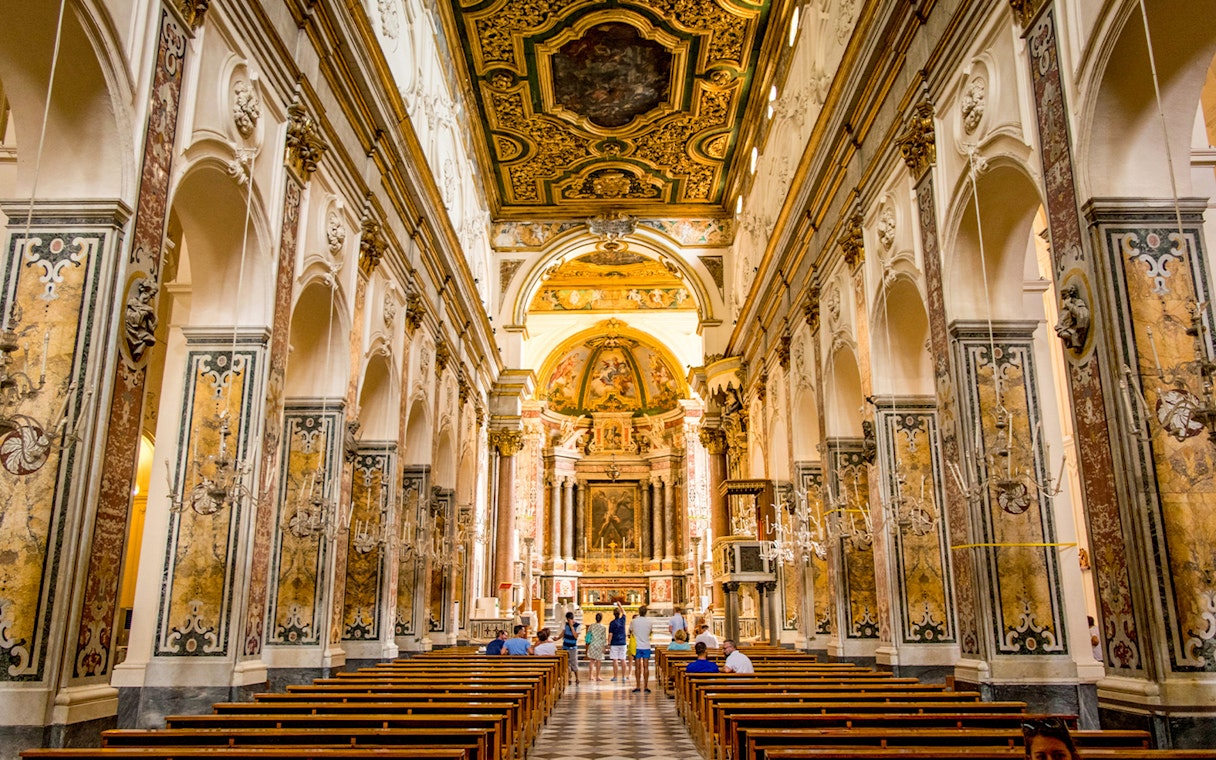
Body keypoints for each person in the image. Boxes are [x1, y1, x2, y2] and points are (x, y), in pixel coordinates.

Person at [631, 604, 655, 693]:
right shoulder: (649, 622)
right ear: (646, 613)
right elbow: (650, 632)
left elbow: (631, 631)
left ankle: (637, 686)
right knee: (646, 666)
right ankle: (645, 686)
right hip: (646, 646)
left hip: (637, 646)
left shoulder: (634, 621)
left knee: (637, 667)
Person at [585, 612, 607, 682]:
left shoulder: (592, 626)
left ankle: (590, 675)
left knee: (592, 661)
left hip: (592, 644)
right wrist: (604, 647)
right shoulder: (603, 627)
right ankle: (597, 676)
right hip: (599, 645)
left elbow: (588, 633)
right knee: (598, 661)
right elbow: (603, 638)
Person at [608, 603, 627, 682]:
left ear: (613, 614)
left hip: (614, 643)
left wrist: (608, 643)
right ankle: (623, 676)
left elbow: (610, 634)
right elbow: (625, 613)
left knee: (615, 660)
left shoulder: (612, 623)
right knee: (623, 659)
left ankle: (615, 676)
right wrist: (620, 605)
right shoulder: (622, 620)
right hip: (622, 642)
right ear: (619, 614)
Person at [562, 611, 581, 684]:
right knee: (567, 663)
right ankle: (569, 678)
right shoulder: (566, 625)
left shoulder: (578, 625)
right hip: (565, 646)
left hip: (572, 647)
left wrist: (572, 627)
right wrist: (557, 638)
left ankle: (577, 678)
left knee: (574, 663)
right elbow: (563, 632)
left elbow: (576, 636)